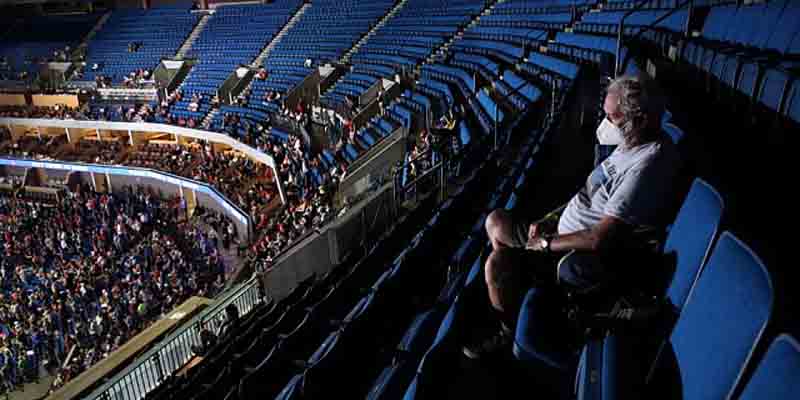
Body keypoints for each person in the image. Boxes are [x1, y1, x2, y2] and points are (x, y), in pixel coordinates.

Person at [462, 75, 681, 359]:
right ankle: (521, 286)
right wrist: (550, 219)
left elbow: (599, 238)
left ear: (637, 119)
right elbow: (588, 193)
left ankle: (509, 328)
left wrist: (544, 243)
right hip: (558, 227)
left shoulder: (647, 163)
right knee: (496, 221)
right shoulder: (631, 143)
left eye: (611, 117)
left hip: (570, 248)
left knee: (496, 264)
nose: (606, 124)